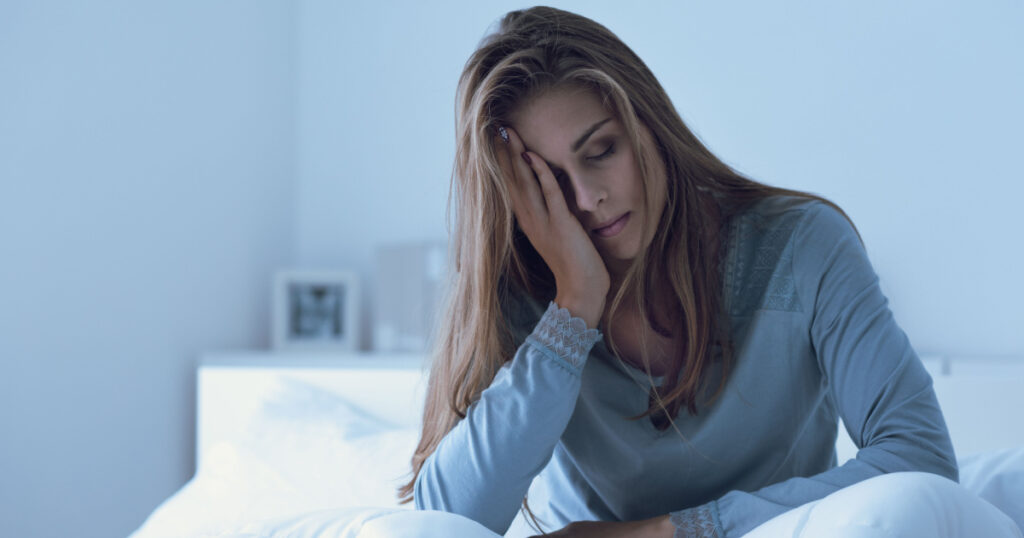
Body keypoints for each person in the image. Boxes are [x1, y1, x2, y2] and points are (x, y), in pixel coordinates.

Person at [398, 6, 964, 537]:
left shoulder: (802, 246)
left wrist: (673, 531)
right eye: (548, 184)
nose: (587, 198)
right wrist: (572, 310)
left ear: (650, 125)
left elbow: (922, 463)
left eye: (601, 151)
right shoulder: (525, 298)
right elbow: (445, 523)